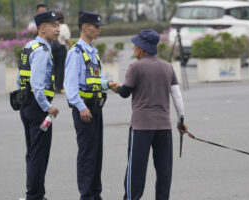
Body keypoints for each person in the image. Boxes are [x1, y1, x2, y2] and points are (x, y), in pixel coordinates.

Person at [111, 29, 188, 200]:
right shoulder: (167, 67)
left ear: (142, 48)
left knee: (136, 170)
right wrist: (181, 120)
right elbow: (177, 96)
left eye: (135, 46)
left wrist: (114, 87)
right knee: (164, 171)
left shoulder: (135, 67)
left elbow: (125, 93)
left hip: (141, 128)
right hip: (164, 128)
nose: (134, 49)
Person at [63, 11, 116, 200]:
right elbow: (69, 86)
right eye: (96, 26)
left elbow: (94, 78)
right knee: (87, 154)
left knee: (96, 153)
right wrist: (80, 107)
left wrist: (108, 84)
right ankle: (86, 195)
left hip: (95, 107)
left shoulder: (92, 51)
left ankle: (95, 193)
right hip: (84, 109)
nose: (99, 29)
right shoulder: (75, 53)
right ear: (84, 27)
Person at [17, 10, 62, 200]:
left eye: (58, 25)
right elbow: (37, 83)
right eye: (53, 25)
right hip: (38, 108)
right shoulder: (42, 51)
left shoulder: (29, 46)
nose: (58, 29)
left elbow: (20, 78)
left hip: (26, 105)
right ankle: (35, 195)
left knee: (33, 152)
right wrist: (47, 106)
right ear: (42, 29)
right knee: (39, 154)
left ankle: (34, 192)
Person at [52, 11, 71, 93]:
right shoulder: (64, 27)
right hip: (61, 48)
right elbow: (67, 39)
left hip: (52, 48)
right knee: (60, 68)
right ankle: (59, 87)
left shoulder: (52, 26)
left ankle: (53, 85)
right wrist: (72, 46)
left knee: (54, 68)